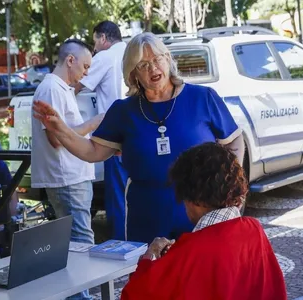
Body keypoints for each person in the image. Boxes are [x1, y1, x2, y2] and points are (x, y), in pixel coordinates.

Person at [33, 32, 244, 244]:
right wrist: (60, 128)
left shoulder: (202, 98)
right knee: (150, 275)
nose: (153, 68)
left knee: (201, 275)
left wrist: (229, 192)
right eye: (142, 65)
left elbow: (234, 140)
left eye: (157, 59)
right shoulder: (123, 111)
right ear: (133, 74)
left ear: (168, 59)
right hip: (146, 217)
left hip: (201, 215)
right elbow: (91, 151)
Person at [121, 143, 287, 300]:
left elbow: (134, 295)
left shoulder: (188, 252)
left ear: (194, 198)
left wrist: (150, 257)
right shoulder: (254, 229)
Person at [31, 39, 103, 300]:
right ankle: (80, 296)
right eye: (85, 66)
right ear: (70, 60)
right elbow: (56, 138)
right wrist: (93, 123)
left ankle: (79, 295)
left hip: (72, 176)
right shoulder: (52, 88)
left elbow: (63, 133)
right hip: (67, 178)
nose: (86, 73)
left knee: (77, 241)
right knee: (81, 242)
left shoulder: (59, 88)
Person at [75, 21, 128, 240]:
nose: (94, 47)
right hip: (142, 132)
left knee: (117, 197)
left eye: (95, 41)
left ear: (104, 38)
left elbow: (76, 85)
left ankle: (122, 248)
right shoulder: (131, 51)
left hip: (114, 138)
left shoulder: (105, 57)